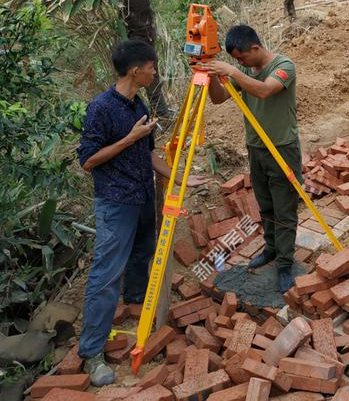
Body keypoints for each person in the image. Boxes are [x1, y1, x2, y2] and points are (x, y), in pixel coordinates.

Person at [77, 40, 206, 386]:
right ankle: (91, 353)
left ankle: (135, 303)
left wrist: (180, 177)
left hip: (143, 197)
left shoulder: (139, 105)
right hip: (115, 203)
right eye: (151, 66)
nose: (154, 71)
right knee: (106, 275)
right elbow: (88, 161)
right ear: (135, 70)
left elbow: (150, 156)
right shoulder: (101, 109)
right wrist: (129, 139)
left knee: (142, 255)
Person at [205, 25, 301, 294]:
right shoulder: (245, 71)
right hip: (256, 149)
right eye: (236, 61)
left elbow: (264, 91)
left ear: (255, 48)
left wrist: (232, 71)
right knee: (266, 205)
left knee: (284, 209)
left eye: (242, 58)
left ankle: (284, 263)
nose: (240, 63)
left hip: (282, 148)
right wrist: (212, 74)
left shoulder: (284, 66)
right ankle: (271, 249)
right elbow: (218, 99)